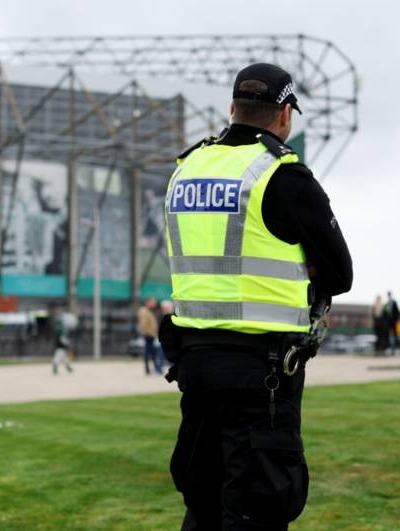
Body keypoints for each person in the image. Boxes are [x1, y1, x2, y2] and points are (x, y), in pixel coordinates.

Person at [162, 63, 353, 529]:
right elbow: (339, 272)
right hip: (260, 370)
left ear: (232, 108)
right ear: (285, 114)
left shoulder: (186, 169)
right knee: (257, 507)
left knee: (202, 502)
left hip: (196, 362)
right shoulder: (282, 174)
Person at [137, 297, 161, 375]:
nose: (154, 304)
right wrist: (146, 332)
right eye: (152, 302)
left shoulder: (148, 311)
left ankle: (155, 368)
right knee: (149, 352)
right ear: (147, 302)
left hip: (151, 334)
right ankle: (150, 368)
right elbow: (143, 324)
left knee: (151, 352)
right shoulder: (144, 311)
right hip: (148, 334)